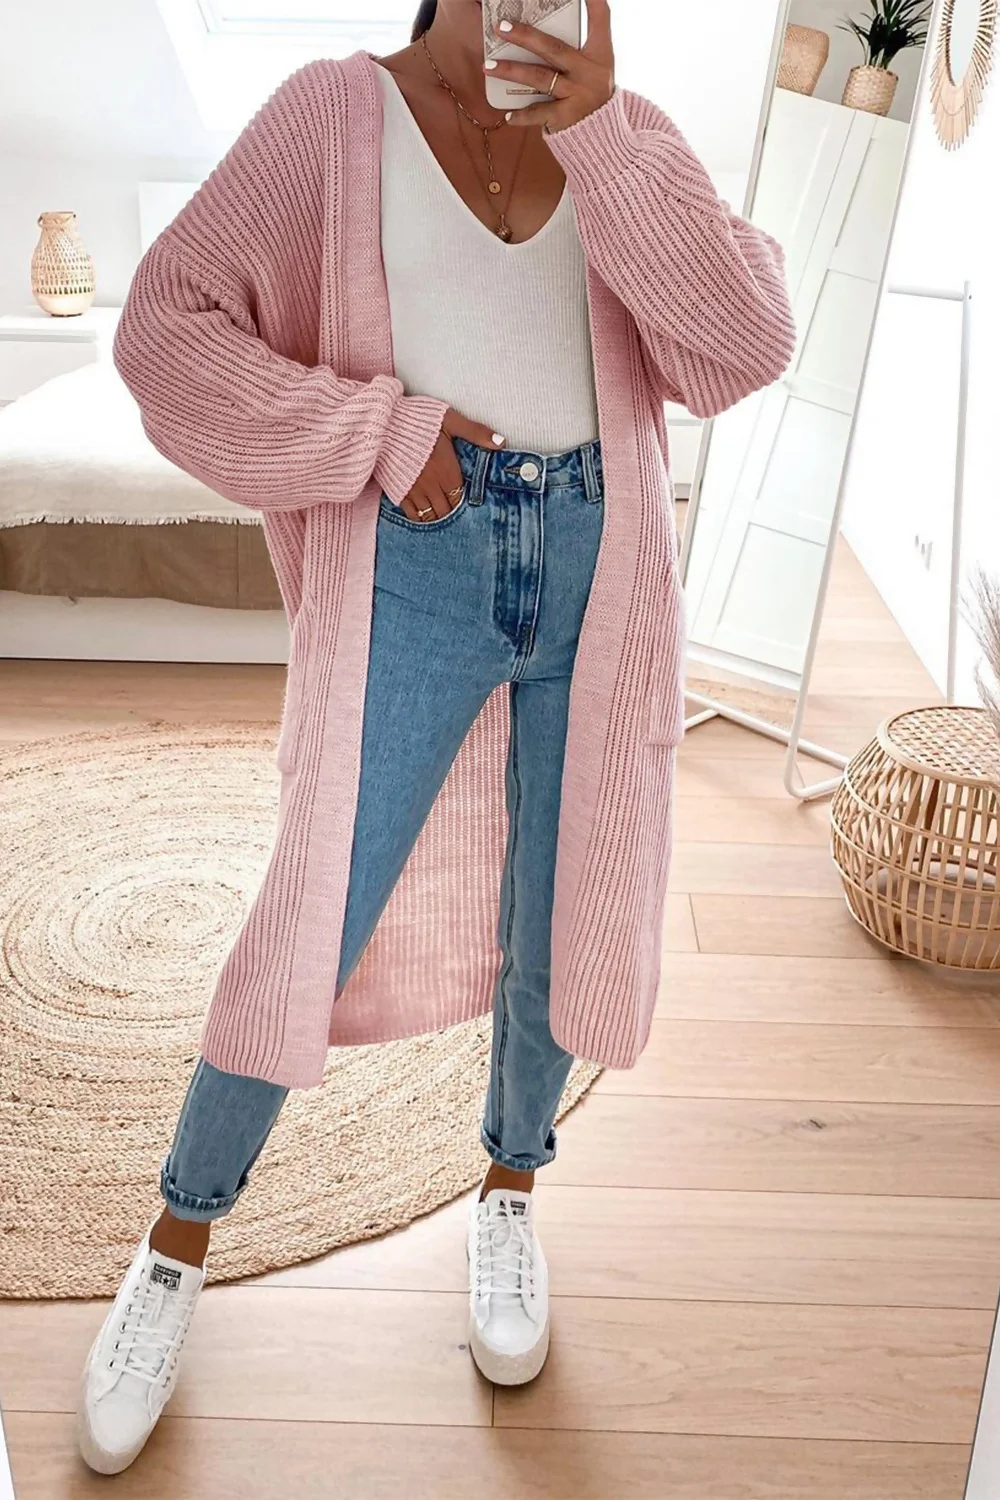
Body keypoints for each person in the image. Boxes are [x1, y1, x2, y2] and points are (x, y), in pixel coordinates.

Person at [77, 0, 795, 1474]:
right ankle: (175, 1243)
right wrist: (378, 433)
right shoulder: (330, 116)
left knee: (555, 910)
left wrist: (605, 135)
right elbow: (165, 329)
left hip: (597, 560)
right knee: (315, 906)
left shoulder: (623, 129)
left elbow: (741, 347)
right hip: (420, 555)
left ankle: (511, 1195)